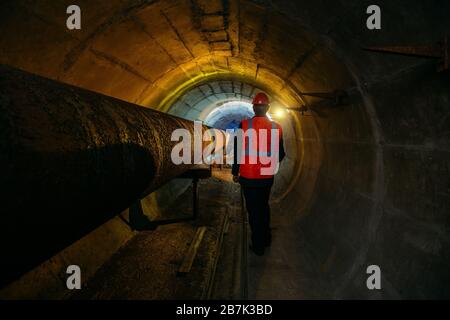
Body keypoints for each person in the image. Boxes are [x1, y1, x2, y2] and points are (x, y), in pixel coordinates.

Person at [232, 92, 285, 256]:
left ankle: (258, 245)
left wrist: (235, 171)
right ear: (267, 107)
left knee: (253, 211)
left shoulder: (244, 125)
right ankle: (266, 238)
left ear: (254, 107)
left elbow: (238, 150)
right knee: (263, 206)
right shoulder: (277, 127)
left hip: (248, 177)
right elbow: (281, 153)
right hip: (266, 178)